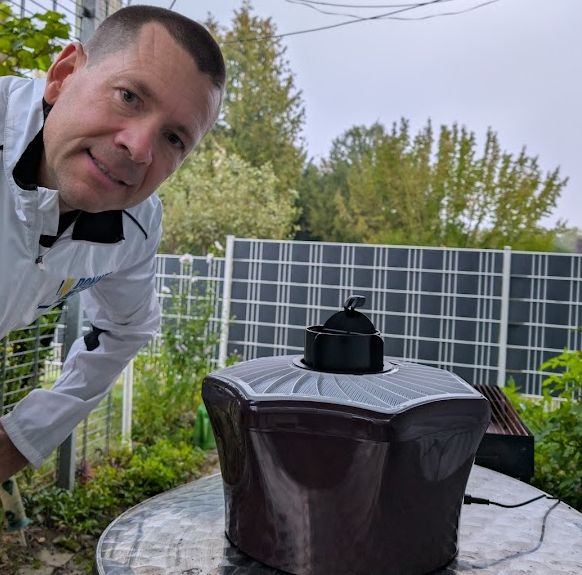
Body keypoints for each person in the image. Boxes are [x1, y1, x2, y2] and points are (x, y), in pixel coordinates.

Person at [0, 5, 225, 481]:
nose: (139, 149)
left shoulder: (137, 224)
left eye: (174, 138)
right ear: (63, 75)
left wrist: (28, 434)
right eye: (128, 96)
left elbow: (127, 326)